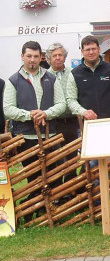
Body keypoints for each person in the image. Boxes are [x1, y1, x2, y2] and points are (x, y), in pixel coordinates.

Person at [3, 41, 66, 200]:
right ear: (22, 56)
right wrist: (30, 115)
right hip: (25, 137)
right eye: (29, 56)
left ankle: (53, 207)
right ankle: (34, 207)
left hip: (49, 135)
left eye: (36, 56)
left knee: (54, 174)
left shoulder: (51, 78)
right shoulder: (13, 80)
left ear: (41, 58)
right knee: (33, 177)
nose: (32, 59)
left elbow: (61, 104)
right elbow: (8, 109)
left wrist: (45, 114)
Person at [66, 35, 110, 121]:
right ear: (82, 51)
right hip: (88, 124)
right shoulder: (75, 74)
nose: (91, 52)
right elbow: (71, 100)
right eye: (87, 49)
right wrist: (83, 112)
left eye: (94, 49)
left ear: (99, 49)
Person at [46, 43, 79, 184]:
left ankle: (71, 188)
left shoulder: (73, 73)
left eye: (60, 55)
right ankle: (58, 188)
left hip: (71, 121)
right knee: (57, 157)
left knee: (72, 156)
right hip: (55, 123)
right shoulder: (45, 76)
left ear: (65, 57)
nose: (58, 58)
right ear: (49, 58)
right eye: (54, 56)